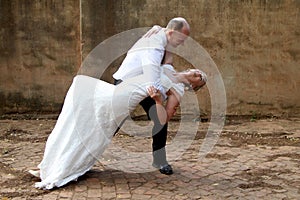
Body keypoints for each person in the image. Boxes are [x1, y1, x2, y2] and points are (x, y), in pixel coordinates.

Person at [28, 63, 207, 190]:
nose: (199, 74)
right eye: (198, 72)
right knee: (109, 123)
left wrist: (158, 100)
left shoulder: (179, 90)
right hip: (132, 89)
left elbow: (165, 117)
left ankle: (160, 161)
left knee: (160, 125)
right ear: (190, 69)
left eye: (201, 79)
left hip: (152, 96)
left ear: (193, 86)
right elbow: (161, 44)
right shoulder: (168, 66)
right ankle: (81, 155)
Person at [113, 17, 190, 175]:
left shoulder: (164, 38)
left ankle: (160, 160)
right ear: (170, 33)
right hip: (127, 83)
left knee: (159, 118)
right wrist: (161, 97)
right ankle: (89, 154)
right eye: (181, 39)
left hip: (144, 84)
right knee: (113, 122)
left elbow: (167, 66)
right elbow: (152, 76)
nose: (182, 44)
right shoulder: (154, 46)